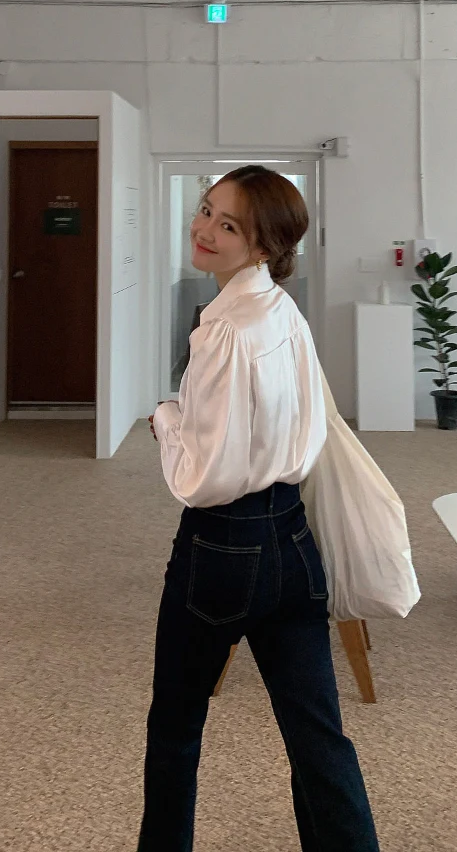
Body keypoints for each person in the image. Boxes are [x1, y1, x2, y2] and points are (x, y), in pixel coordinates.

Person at [139, 165, 380, 852]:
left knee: (176, 726)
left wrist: (166, 418)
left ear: (265, 245)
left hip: (221, 548)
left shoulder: (222, 332)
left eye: (229, 225)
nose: (204, 230)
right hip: (293, 541)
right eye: (206, 210)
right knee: (318, 738)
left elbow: (203, 476)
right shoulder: (282, 310)